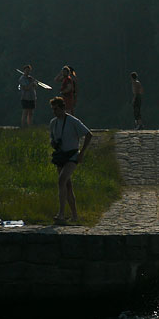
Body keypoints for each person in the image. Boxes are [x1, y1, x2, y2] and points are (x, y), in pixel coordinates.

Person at [48, 96, 92, 224]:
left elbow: (88, 134)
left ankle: (61, 214)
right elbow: (52, 139)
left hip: (72, 155)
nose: (54, 112)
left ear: (63, 108)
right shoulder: (53, 123)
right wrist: (54, 143)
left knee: (61, 180)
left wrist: (82, 153)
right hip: (60, 155)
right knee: (67, 185)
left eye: (56, 109)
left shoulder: (73, 121)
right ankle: (74, 215)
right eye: (52, 109)